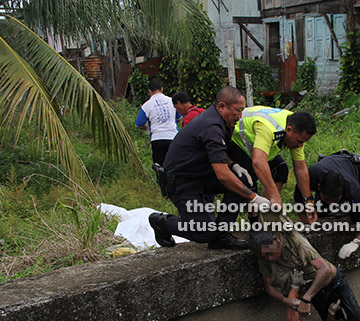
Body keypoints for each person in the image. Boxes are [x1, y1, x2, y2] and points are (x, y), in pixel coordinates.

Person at [148, 86, 270, 250]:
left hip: (201, 176)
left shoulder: (224, 122)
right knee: (204, 233)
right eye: (238, 110)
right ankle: (162, 222)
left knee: (242, 180)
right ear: (222, 106)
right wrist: (254, 197)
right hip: (182, 182)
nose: (240, 116)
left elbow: (217, 151)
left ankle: (222, 236)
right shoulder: (211, 126)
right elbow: (223, 176)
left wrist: (234, 165)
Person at [249, 212, 360, 321]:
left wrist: (306, 298)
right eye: (264, 256)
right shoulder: (263, 256)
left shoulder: (296, 243)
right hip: (316, 292)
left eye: (270, 253)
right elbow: (269, 286)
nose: (269, 258)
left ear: (276, 241)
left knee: (357, 318)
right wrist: (286, 300)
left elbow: (324, 269)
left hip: (333, 282)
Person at [293, 150, 360, 259]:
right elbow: (298, 199)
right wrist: (305, 223)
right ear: (319, 187)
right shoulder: (309, 176)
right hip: (332, 165)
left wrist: (356, 242)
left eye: (335, 200)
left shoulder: (352, 188)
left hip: (356, 166)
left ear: (343, 192)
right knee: (320, 212)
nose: (331, 204)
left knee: (358, 217)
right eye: (327, 199)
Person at [227, 106, 318, 222]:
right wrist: (275, 195)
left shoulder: (296, 125)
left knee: (280, 169)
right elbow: (258, 162)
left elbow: (300, 168)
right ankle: (255, 224)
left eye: (303, 142)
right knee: (249, 180)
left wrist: (309, 200)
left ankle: (265, 214)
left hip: (257, 147)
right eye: (300, 141)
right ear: (289, 130)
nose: (301, 146)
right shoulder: (269, 127)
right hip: (236, 141)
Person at [135, 78, 182, 166]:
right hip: (173, 137)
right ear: (162, 89)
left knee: (160, 166)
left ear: (149, 91)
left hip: (157, 138)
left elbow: (139, 124)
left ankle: (162, 180)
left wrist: (148, 128)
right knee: (174, 164)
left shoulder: (146, 105)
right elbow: (179, 118)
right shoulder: (172, 101)